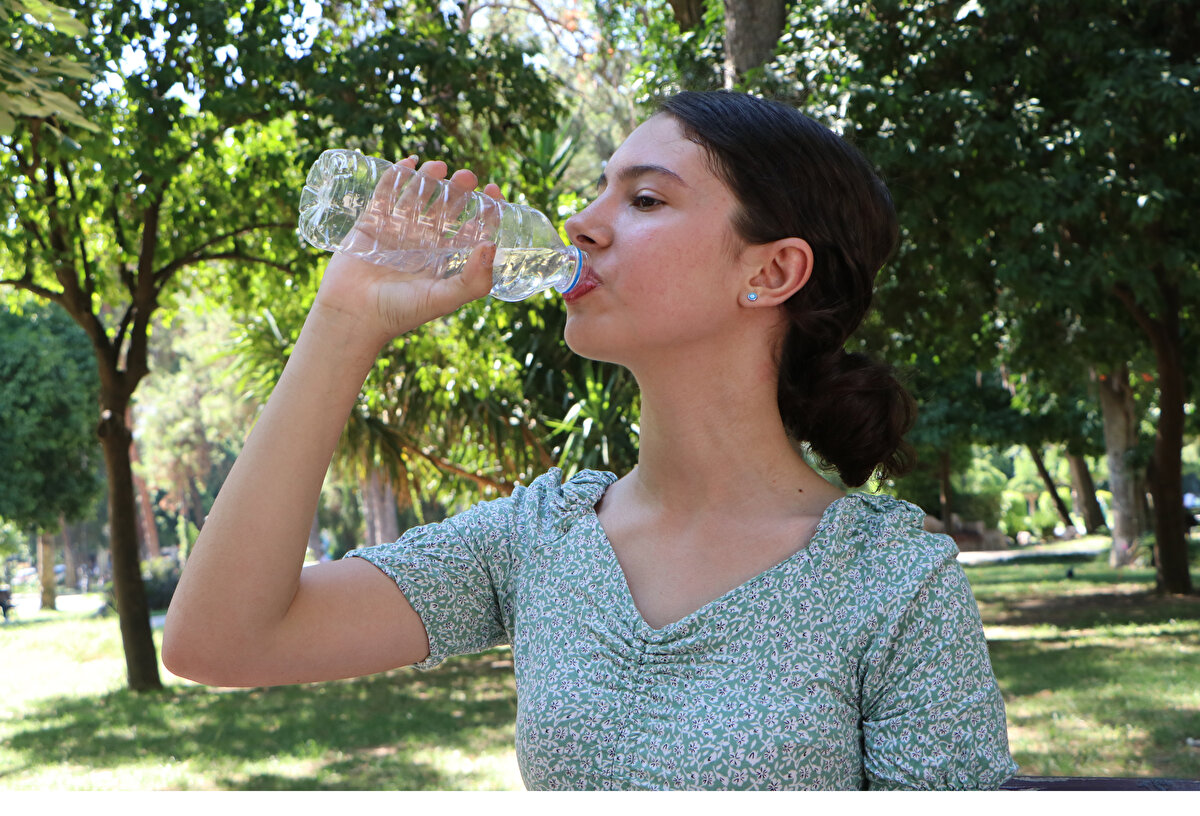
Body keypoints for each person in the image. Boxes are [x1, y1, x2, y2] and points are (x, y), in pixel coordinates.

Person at [164, 90, 1017, 790]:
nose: (580, 222)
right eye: (598, 190)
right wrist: (344, 321)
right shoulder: (541, 537)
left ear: (771, 272)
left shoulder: (890, 581)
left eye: (644, 199)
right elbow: (221, 641)